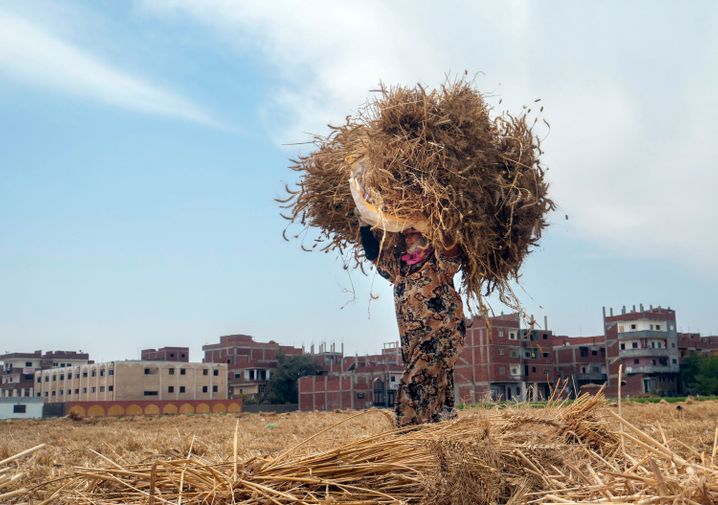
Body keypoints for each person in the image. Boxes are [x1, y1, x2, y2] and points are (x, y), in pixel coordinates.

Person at [359, 223, 466, 427]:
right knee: (438, 386)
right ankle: (441, 432)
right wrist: (364, 225)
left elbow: (452, 249)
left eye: (414, 233)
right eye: (406, 235)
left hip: (441, 334)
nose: (408, 238)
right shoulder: (401, 267)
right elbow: (375, 256)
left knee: (414, 383)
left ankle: (408, 434)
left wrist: (441, 219)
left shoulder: (438, 262)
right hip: (412, 342)